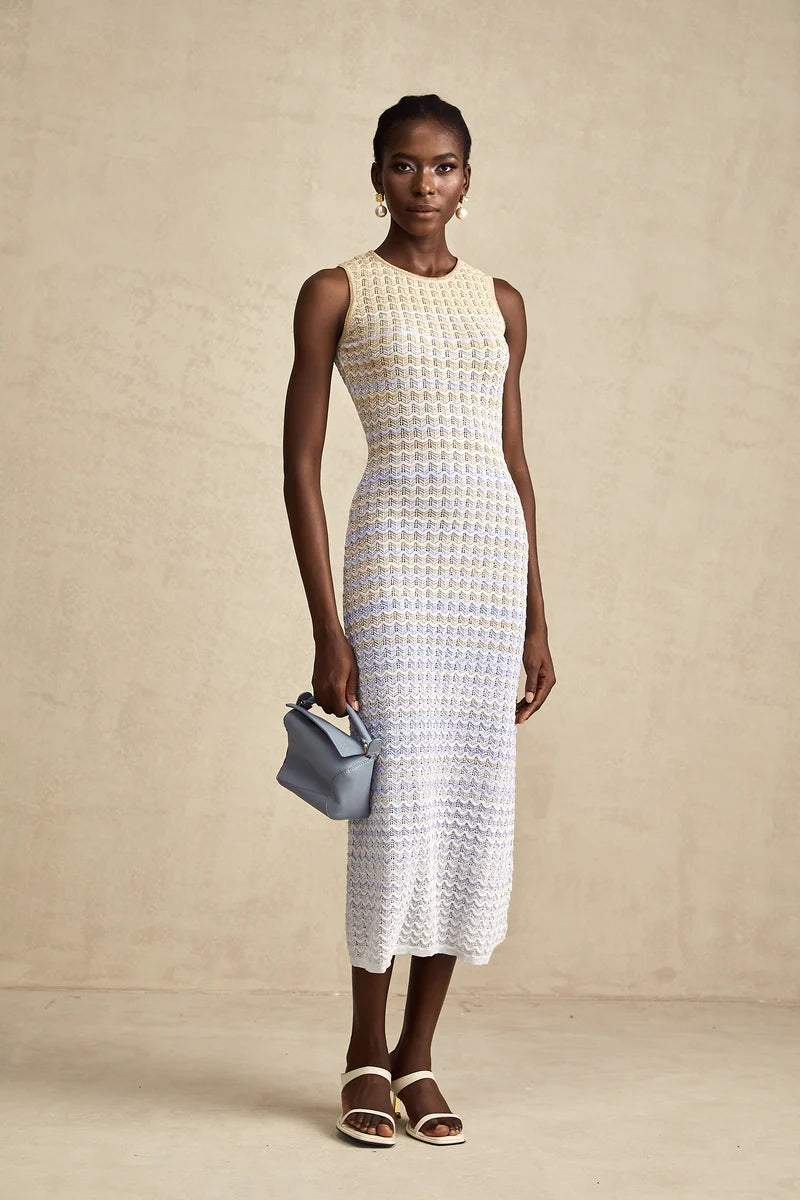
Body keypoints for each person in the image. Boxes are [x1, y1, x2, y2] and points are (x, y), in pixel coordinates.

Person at [281, 93, 555, 1146]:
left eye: (442, 167)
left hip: (487, 571)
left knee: (468, 804)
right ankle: (364, 1050)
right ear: (376, 176)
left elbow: (513, 461)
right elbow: (301, 465)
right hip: (393, 560)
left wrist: (536, 619)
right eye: (403, 165)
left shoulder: (501, 301)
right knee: (394, 810)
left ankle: (418, 1057)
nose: (423, 184)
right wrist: (328, 628)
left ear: (467, 179)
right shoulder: (337, 290)